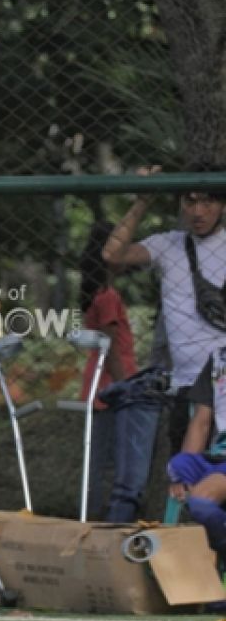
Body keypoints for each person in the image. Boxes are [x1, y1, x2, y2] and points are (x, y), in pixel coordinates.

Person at [103, 168, 226, 456]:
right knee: (185, 477)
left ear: (223, 205)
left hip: (223, 385)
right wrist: (142, 201)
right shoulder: (168, 245)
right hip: (186, 385)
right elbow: (112, 256)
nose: (198, 211)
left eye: (208, 202)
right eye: (190, 201)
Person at [77, 221, 159, 523]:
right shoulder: (108, 295)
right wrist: (127, 388)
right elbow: (111, 347)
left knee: (97, 460)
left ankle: (94, 516)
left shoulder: (94, 293)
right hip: (113, 387)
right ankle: (106, 521)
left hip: (97, 385)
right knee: (112, 463)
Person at [168, 350, 226, 564]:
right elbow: (201, 422)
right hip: (217, 457)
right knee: (179, 464)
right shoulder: (219, 359)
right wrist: (186, 477)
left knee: (201, 502)